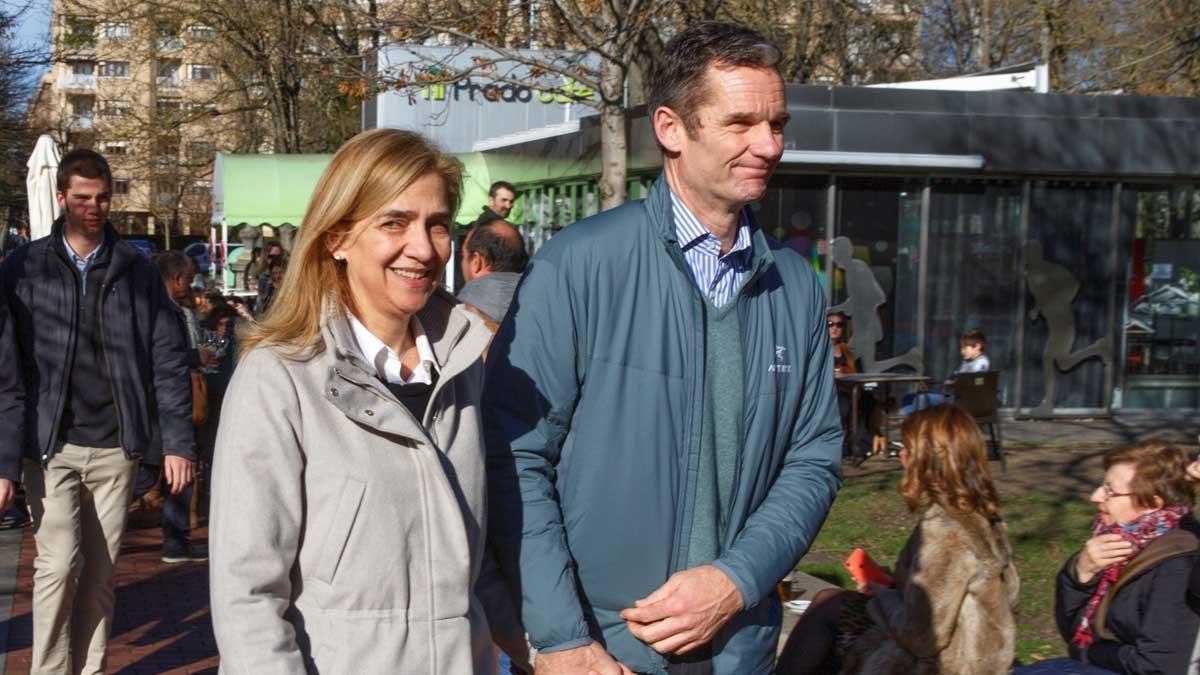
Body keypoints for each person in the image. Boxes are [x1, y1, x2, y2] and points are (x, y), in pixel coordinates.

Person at [484, 22, 842, 675]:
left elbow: (813, 458)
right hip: (603, 651)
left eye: (777, 123)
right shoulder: (579, 266)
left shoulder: (795, 286)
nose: (769, 144)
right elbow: (514, 455)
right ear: (672, 128)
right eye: (741, 123)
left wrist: (737, 578)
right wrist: (562, 638)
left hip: (740, 648)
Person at [208, 128, 528, 674]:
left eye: (437, 225)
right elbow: (248, 598)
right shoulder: (280, 379)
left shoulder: (461, 367)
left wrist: (545, 651)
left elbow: (477, 562)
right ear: (337, 237)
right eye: (394, 223)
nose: (423, 248)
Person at [0, 148, 195, 674]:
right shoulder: (25, 268)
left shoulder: (137, 270)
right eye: (83, 198)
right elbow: (6, 370)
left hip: (116, 443)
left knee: (101, 573)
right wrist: (3, 458)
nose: (94, 207)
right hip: (52, 444)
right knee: (57, 566)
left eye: (103, 198)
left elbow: (168, 358)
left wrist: (176, 442)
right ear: (61, 198)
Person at [777, 404, 1020, 674]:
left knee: (825, 614)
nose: (901, 456)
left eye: (907, 450)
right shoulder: (984, 517)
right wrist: (893, 582)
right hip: (973, 657)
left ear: (929, 461)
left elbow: (923, 637)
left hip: (940, 665)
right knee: (829, 600)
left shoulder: (947, 533)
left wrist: (882, 595)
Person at [1015, 441, 1199, 675]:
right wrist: (1080, 575)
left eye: (1110, 491)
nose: (1095, 496)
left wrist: (1090, 651)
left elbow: (1159, 666)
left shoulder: (1177, 561)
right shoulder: (1118, 543)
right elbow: (1072, 632)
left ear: (1152, 503)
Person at [152, 250, 208, 563]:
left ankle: (177, 536)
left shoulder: (158, 307)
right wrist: (194, 358)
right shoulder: (168, 311)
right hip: (173, 401)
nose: (190, 284)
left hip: (168, 400)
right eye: (187, 278)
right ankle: (175, 538)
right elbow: (168, 358)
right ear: (176, 279)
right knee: (178, 466)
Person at [900, 328, 991, 414]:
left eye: (964, 348)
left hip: (960, 401)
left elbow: (973, 382)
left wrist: (952, 383)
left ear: (977, 346)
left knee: (921, 399)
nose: (961, 351)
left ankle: (913, 422)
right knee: (909, 397)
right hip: (952, 396)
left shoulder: (981, 363)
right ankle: (909, 418)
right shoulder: (968, 362)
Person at [457, 219, 528, 324]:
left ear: (476, 261)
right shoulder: (543, 306)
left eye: (463, 256)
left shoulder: (458, 314)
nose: (462, 262)